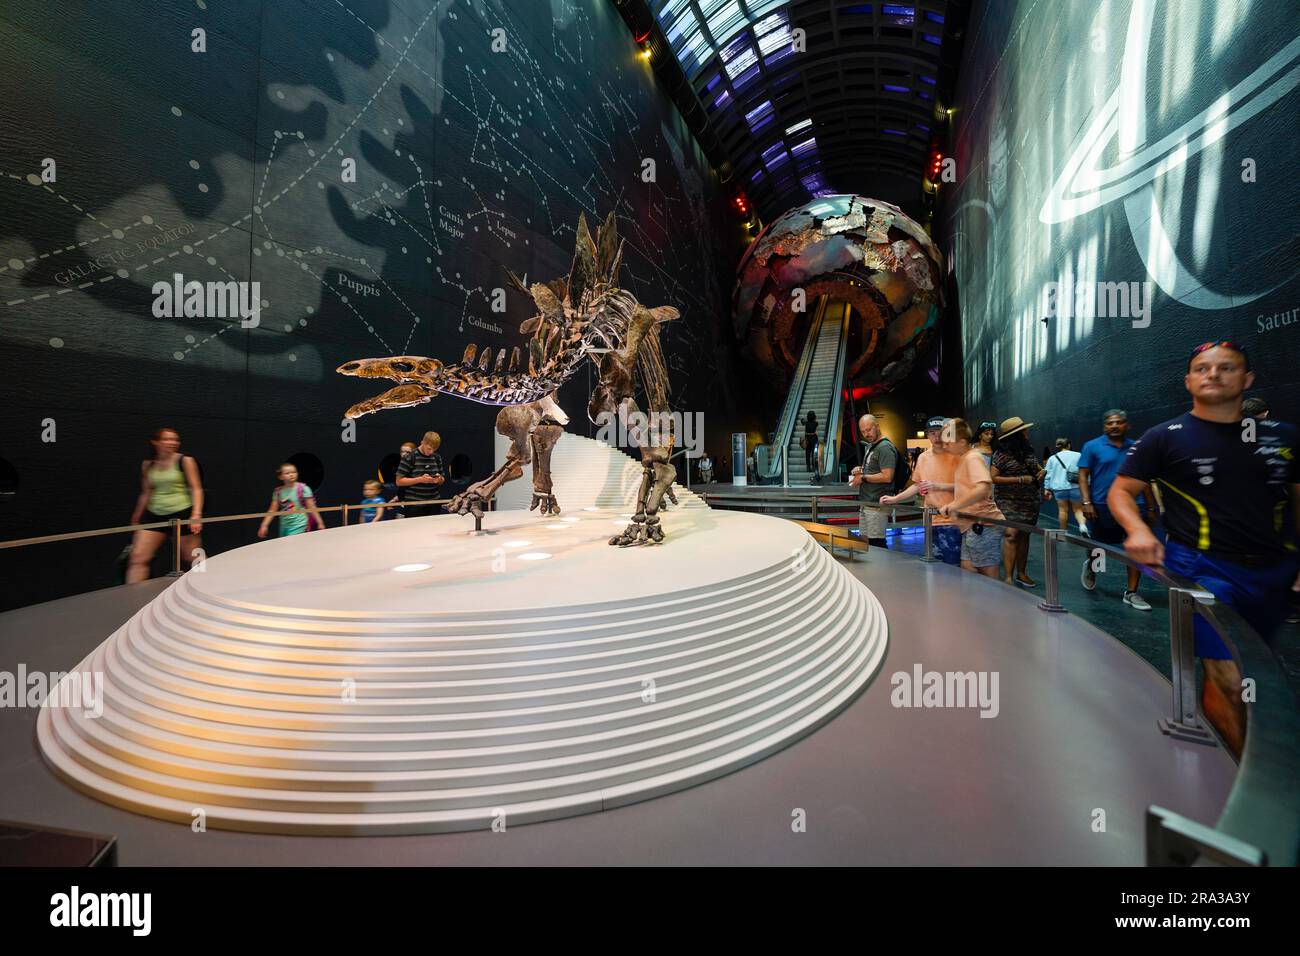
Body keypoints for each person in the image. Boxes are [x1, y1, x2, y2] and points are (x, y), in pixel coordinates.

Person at [1109, 342, 1299, 759]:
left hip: (1273, 572)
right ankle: (1248, 782)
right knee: (1227, 676)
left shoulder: (1282, 437)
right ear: (1189, 381)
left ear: (1246, 380)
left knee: (1253, 671)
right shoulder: (1165, 437)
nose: (1213, 374)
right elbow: (1122, 492)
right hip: (1202, 569)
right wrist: (1138, 530)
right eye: (1202, 368)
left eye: (1226, 368)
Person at [1078, 409, 1156, 611]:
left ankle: (1131, 592)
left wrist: (1150, 506)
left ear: (1126, 425)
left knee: (1134, 547)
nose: (1114, 426)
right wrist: (1086, 502)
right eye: (1110, 423)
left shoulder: (1137, 447)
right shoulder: (1092, 446)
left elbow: (1145, 478)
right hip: (1101, 505)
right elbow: (1083, 475)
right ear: (1105, 426)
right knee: (1099, 548)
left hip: (1134, 505)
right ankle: (1093, 568)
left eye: (1118, 422)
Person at [127, 427, 204, 583]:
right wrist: (137, 516)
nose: (173, 442)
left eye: (175, 439)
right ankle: (133, 598)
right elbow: (146, 492)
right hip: (154, 514)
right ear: (155, 442)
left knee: (195, 557)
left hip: (182, 513)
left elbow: (196, 488)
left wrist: (196, 515)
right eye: (167, 439)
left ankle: (209, 586)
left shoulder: (185, 460)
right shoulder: (148, 464)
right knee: (138, 557)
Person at [882, 416, 961, 565]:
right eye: (932, 432)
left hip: (953, 519)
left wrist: (937, 486)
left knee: (953, 565)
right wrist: (895, 499)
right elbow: (918, 485)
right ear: (927, 434)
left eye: (939, 432)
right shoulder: (924, 457)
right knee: (935, 564)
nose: (936, 436)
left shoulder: (956, 455)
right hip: (931, 519)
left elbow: (966, 486)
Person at [938, 418, 1005, 578]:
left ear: (961, 442)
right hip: (971, 526)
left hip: (983, 525)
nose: (945, 447)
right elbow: (968, 488)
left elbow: (983, 487)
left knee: (987, 576)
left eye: (948, 443)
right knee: (969, 569)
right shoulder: (966, 458)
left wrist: (954, 505)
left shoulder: (972, 458)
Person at [990, 417, 1045, 588]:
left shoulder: (1028, 451)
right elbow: (993, 478)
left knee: (1024, 535)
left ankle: (1021, 573)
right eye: (1024, 430)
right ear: (1017, 434)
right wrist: (1020, 479)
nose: (1027, 432)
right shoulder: (1001, 455)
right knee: (1011, 535)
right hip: (1008, 501)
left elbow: (1035, 468)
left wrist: (1041, 472)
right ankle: (1008, 577)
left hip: (1029, 501)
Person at [849, 414, 897, 548]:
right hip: (867, 503)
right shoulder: (873, 446)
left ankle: (881, 569)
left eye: (868, 430)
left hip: (877, 505)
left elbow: (887, 476)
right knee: (866, 542)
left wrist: (863, 477)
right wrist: (861, 469)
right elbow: (875, 469)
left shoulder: (884, 447)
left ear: (877, 427)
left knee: (877, 544)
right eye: (863, 431)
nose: (866, 434)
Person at [258, 462, 326, 538]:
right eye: (287, 473)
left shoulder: (303, 489)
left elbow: (312, 507)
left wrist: (320, 523)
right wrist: (264, 525)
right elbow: (272, 510)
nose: (291, 474)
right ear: (281, 477)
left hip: (300, 524)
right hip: (284, 525)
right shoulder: (278, 492)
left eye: (294, 472)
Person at [397, 431, 447, 516]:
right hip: (414, 505)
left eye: (434, 449)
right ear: (422, 442)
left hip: (434, 503)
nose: (431, 452)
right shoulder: (409, 457)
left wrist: (439, 479)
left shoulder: (437, 457)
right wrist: (420, 479)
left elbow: (442, 479)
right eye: (429, 449)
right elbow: (399, 481)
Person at [1044, 438, 1087, 535]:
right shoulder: (1078, 455)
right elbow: (1084, 470)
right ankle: (1083, 526)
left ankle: (1063, 532)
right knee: (1078, 510)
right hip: (1075, 486)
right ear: (1068, 445)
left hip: (1059, 488)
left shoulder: (1052, 458)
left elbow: (1048, 474)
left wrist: (1046, 488)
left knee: (1063, 510)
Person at [803, 411, 819, 475]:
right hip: (814, 438)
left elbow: (802, 420)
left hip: (807, 438)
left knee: (807, 453)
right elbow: (815, 420)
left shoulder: (806, 423)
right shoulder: (816, 423)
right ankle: (813, 466)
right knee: (813, 453)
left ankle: (808, 467)